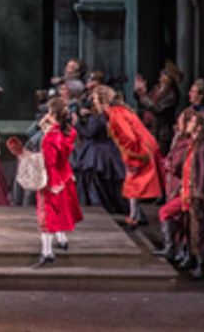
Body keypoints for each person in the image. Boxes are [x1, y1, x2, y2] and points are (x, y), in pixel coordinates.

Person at [160, 111, 204, 280]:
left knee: (203, 232)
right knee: (193, 231)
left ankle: (201, 266)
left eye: (191, 123)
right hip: (189, 194)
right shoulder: (195, 145)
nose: (187, 125)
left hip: (200, 196)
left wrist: (201, 194)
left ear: (198, 127)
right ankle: (192, 260)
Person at [91, 85, 163, 229]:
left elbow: (129, 138)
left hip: (140, 151)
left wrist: (132, 159)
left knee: (133, 184)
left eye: (94, 99)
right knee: (133, 185)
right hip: (142, 148)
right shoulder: (117, 111)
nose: (93, 101)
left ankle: (134, 217)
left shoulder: (116, 114)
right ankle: (134, 216)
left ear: (101, 100)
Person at [30, 98, 82, 268]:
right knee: (61, 210)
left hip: (51, 178)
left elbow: (49, 161)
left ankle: (46, 252)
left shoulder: (51, 137)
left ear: (52, 114)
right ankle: (62, 238)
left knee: (47, 214)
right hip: (64, 175)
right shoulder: (69, 132)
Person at [72, 88, 126, 215]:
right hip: (103, 151)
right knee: (102, 183)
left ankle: (99, 208)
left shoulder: (102, 116)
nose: (93, 100)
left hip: (98, 153)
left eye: (95, 98)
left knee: (96, 184)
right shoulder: (107, 114)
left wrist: (77, 124)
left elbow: (90, 133)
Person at [135, 60, 182, 151]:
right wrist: (140, 91)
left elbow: (157, 109)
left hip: (160, 133)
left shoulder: (172, 94)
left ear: (168, 78)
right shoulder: (157, 88)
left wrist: (143, 96)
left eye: (164, 74)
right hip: (149, 128)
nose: (160, 75)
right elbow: (145, 101)